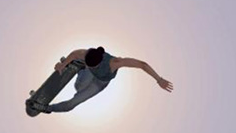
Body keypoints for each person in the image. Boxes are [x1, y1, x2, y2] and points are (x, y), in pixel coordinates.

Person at [41, 46, 173, 113]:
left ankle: (47, 108)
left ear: (99, 63)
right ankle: (80, 67)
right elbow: (75, 53)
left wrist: (159, 79)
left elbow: (142, 65)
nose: (89, 65)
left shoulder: (115, 62)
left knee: (72, 104)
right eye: (87, 63)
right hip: (89, 73)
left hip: (100, 83)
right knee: (78, 87)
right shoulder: (85, 53)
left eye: (90, 65)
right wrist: (62, 65)